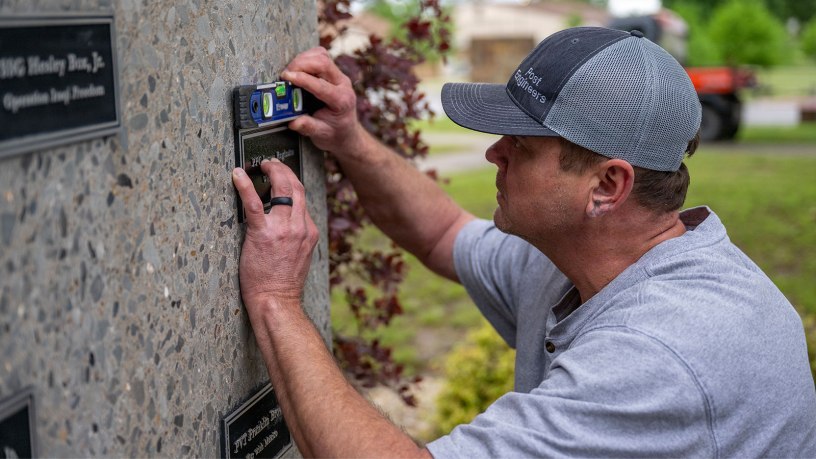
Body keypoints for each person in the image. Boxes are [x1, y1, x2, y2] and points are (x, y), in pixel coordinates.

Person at [231, 27, 816, 457]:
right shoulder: (586, 259)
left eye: (523, 145)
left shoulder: (659, 357)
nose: (493, 153)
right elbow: (441, 232)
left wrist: (277, 299)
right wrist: (349, 139)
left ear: (607, 184)